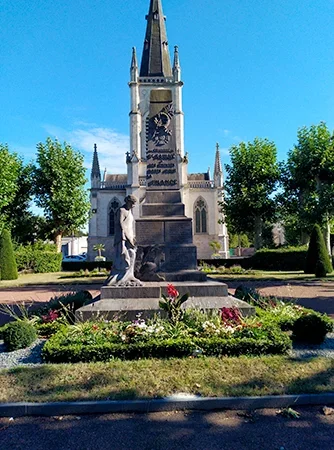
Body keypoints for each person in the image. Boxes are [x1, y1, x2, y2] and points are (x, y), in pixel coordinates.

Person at [106, 195, 142, 286]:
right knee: (125, 257)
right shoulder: (122, 210)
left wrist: (132, 237)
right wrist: (127, 238)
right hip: (122, 238)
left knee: (132, 254)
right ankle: (121, 277)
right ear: (128, 202)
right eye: (133, 203)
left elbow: (129, 226)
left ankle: (129, 275)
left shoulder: (129, 211)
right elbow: (121, 225)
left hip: (129, 237)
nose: (134, 206)